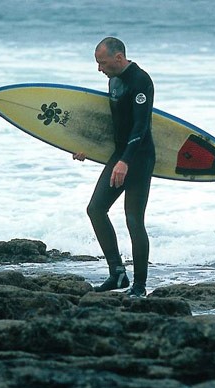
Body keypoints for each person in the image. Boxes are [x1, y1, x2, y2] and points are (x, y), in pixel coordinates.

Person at [73, 37, 155, 298]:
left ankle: (140, 285)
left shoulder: (141, 81)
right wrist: (90, 149)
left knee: (133, 220)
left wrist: (126, 161)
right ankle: (117, 273)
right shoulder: (113, 80)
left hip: (139, 158)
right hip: (120, 155)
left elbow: (140, 127)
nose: (99, 69)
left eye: (103, 63)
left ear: (119, 58)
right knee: (96, 209)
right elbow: (114, 125)